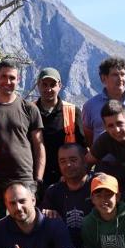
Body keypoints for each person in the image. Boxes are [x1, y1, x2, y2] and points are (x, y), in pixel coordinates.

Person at [0, 58, 44, 214]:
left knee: (27, 220)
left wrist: (38, 179)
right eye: (4, 77)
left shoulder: (29, 109)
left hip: (24, 176)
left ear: (18, 79)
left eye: (12, 78)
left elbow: (39, 146)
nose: (8, 81)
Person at [81, 57, 125, 145]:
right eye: (115, 75)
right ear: (103, 78)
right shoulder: (90, 106)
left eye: (123, 74)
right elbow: (88, 137)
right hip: (103, 158)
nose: (120, 78)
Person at [34, 67, 81, 196]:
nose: (48, 89)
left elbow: (82, 147)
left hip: (66, 177)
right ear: (38, 85)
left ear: (60, 86)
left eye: (53, 85)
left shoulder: (72, 111)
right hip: (36, 179)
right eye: (44, 84)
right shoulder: (29, 110)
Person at [40, 142, 94, 244]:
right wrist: (47, 215)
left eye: (73, 160)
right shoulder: (53, 192)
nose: (68, 165)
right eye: (62, 161)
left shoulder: (99, 185)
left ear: (84, 160)